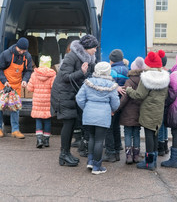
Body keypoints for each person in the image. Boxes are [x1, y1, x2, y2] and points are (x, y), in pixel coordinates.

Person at [51, 34, 97, 167]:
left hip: (73, 93)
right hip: (63, 94)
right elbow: (65, 76)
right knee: (68, 123)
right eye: (94, 47)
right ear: (87, 47)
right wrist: (81, 73)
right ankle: (64, 154)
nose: (95, 50)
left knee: (72, 123)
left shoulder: (89, 58)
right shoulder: (72, 56)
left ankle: (66, 154)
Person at [125, 50, 170, 170]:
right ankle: (153, 160)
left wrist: (129, 90)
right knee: (155, 134)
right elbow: (165, 96)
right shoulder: (165, 77)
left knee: (149, 135)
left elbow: (139, 95)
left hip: (148, 110)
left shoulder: (146, 77)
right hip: (158, 110)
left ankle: (149, 163)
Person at [76, 62, 120, 174]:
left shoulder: (88, 83)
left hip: (89, 114)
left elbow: (79, 98)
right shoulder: (111, 85)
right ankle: (97, 167)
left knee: (91, 137)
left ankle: (90, 161)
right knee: (99, 141)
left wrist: (86, 108)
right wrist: (112, 110)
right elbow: (115, 103)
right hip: (103, 115)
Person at [0, 37, 33, 139]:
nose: (21, 52)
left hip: (16, 85)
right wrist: (4, 81)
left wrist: (25, 79)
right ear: (16, 46)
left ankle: (15, 130)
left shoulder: (27, 56)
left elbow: (28, 70)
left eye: (23, 50)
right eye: (20, 50)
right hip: (3, 85)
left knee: (15, 107)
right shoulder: (6, 54)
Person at [118, 57, 146, 164]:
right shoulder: (144, 80)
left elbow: (124, 98)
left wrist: (117, 109)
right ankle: (136, 155)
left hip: (128, 112)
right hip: (139, 111)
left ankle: (128, 156)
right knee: (137, 133)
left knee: (128, 133)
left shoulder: (129, 81)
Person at [103, 49, 128, 162]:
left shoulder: (112, 71)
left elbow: (110, 88)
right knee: (116, 126)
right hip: (122, 102)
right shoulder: (126, 69)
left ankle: (110, 153)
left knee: (109, 127)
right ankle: (117, 148)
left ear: (111, 60)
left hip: (112, 102)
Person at [27, 55, 56, 148]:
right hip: (47, 101)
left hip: (37, 101)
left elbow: (30, 88)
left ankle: (39, 140)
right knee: (47, 120)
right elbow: (54, 89)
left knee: (38, 119)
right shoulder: (52, 75)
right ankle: (46, 141)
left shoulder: (34, 74)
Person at [158, 54, 170, 156]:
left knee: (160, 125)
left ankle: (160, 147)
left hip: (160, 103)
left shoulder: (159, 73)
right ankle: (165, 145)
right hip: (167, 102)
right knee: (164, 125)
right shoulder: (168, 72)